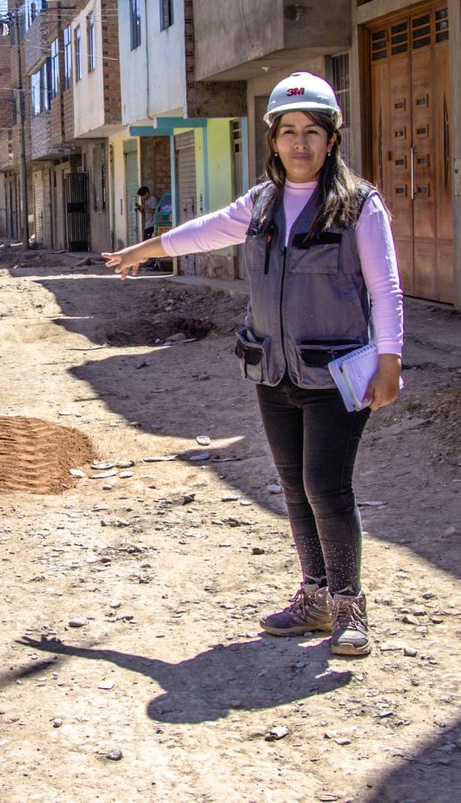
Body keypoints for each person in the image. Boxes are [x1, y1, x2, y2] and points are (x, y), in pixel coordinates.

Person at [105, 72, 404, 657]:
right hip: (274, 371)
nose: (300, 143)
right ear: (272, 140)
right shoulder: (262, 205)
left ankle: (349, 606)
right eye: (288, 132)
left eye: (312, 132)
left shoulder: (358, 206)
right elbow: (204, 231)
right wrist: (145, 249)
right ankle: (315, 597)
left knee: (326, 484)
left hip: (338, 372)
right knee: (294, 486)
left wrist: (390, 360)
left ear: (331, 138)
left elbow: (386, 287)